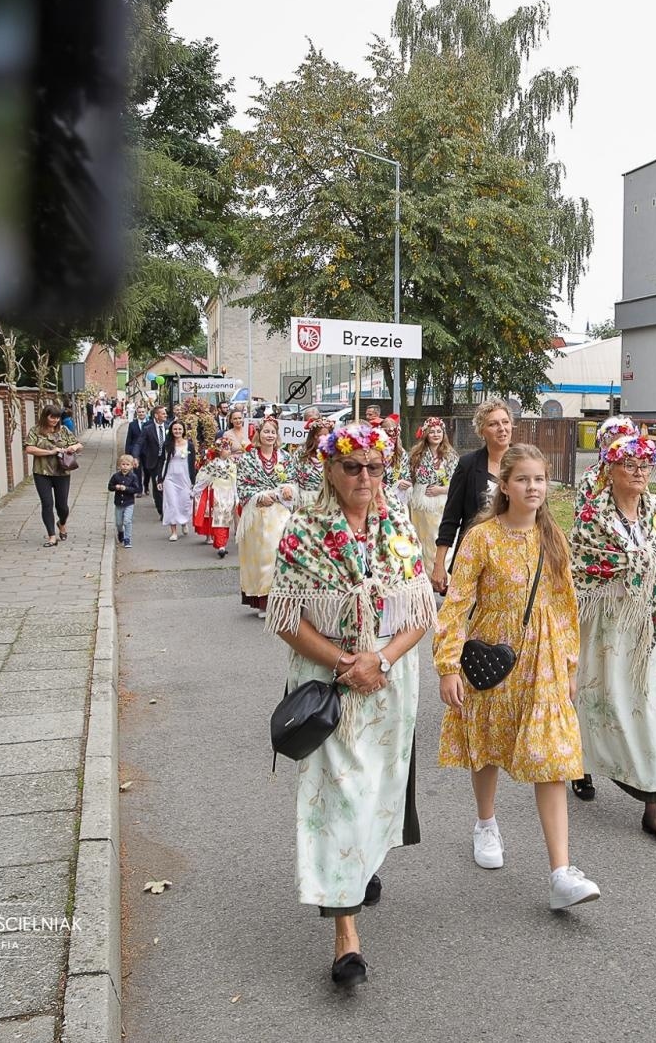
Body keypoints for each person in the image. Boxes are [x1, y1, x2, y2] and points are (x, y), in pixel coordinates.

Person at [265, 420, 436, 989]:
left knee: (379, 788)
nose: (365, 477)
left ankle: (363, 865)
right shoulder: (304, 531)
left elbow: (419, 613)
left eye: (375, 467)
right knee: (337, 797)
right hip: (331, 685)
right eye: (352, 467)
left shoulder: (399, 528)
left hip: (389, 683)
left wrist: (381, 660)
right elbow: (288, 619)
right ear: (329, 470)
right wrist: (347, 663)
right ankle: (346, 937)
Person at [435, 444, 600, 911]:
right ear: (503, 486)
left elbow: (568, 606)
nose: (533, 487)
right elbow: (457, 603)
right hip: (493, 655)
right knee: (487, 743)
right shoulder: (482, 537)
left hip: (544, 659)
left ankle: (561, 872)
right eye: (523, 479)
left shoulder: (554, 538)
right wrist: (448, 666)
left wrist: (569, 664)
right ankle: (486, 822)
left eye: (540, 479)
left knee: (552, 757)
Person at [568, 431, 656, 845]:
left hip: (649, 627)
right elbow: (584, 566)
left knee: (651, 709)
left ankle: (653, 808)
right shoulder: (592, 515)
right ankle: (581, 762)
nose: (639, 473)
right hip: (607, 625)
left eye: (645, 465)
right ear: (610, 467)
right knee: (601, 701)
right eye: (629, 465)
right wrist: (643, 583)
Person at [431, 399, 513, 594]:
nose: (502, 428)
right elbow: (451, 518)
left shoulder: (525, 461)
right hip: (474, 559)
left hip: (514, 559)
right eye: (493, 424)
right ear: (481, 431)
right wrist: (439, 564)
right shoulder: (467, 465)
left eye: (505, 422)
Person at [236, 417, 299, 616]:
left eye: (273, 432)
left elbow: (292, 480)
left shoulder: (286, 458)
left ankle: (282, 600)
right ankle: (263, 600)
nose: (269, 435)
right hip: (257, 514)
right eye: (266, 432)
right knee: (260, 557)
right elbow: (242, 485)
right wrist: (259, 496)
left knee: (279, 553)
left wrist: (288, 490)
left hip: (280, 512)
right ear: (258, 435)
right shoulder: (247, 459)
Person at [25, 405, 82, 548]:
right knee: (47, 503)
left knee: (62, 506)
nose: (55, 420)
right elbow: (29, 448)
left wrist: (73, 448)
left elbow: (78, 444)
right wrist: (50, 451)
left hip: (62, 472)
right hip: (42, 472)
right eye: (52, 417)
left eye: (57, 417)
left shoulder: (63, 430)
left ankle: (61, 523)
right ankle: (51, 536)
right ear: (46, 416)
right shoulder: (35, 431)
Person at [407, 418, 457, 566]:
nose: (436, 435)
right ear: (426, 434)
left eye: (439, 431)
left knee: (439, 536)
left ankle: (441, 569)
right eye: (432, 432)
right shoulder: (417, 454)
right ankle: (424, 572)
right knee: (423, 537)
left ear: (443, 434)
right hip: (421, 502)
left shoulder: (451, 455)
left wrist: (440, 490)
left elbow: (456, 482)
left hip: (441, 501)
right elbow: (410, 476)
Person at [575, 416, 640, 513]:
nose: (624, 450)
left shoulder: (638, 472)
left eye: (628, 444)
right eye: (618, 445)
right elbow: (582, 515)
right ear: (604, 445)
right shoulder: (591, 478)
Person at [192, 435, 238, 557]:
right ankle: (221, 545)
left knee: (227, 518)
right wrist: (195, 491)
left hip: (229, 493)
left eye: (229, 448)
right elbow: (204, 479)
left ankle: (222, 543)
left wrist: (236, 495)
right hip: (217, 492)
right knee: (219, 518)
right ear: (219, 450)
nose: (228, 450)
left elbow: (234, 481)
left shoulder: (232, 464)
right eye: (225, 448)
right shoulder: (213, 465)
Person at [158, 419, 197, 541]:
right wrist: (160, 479)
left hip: (184, 477)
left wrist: (193, 480)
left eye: (180, 429)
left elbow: (193, 464)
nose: (177, 431)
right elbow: (162, 462)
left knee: (184, 502)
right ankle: (173, 531)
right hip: (170, 477)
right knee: (172, 503)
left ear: (183, 430)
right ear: (171, 430)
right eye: (175, 429)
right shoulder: (167, 444)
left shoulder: (189, 445)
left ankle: (184, 522)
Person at [138, 405, 170, 514]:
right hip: (154, 461)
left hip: (167, 461)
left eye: (165, 413)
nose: (165, 415)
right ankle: (161, 510)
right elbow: (139, 443)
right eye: (163, 413)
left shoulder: (169, 427)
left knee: (168, 484)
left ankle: (168, 505)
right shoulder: (148, 429)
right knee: (157, 485)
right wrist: (134, 457)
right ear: (156, 415)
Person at [109, 454, 143, 549]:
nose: (125, 466)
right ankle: (120, 532)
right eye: (123, 464)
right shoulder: (116, 476)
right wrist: (115, 487)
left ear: (132, 466)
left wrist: (126, 488)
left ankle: (127, 539)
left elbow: (136, 489)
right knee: (119, 522)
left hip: (129, 503)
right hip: (119, 503)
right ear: (119, 465)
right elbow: (110, 487)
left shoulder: (133, 477)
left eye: (127, 464)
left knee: (127, 521)